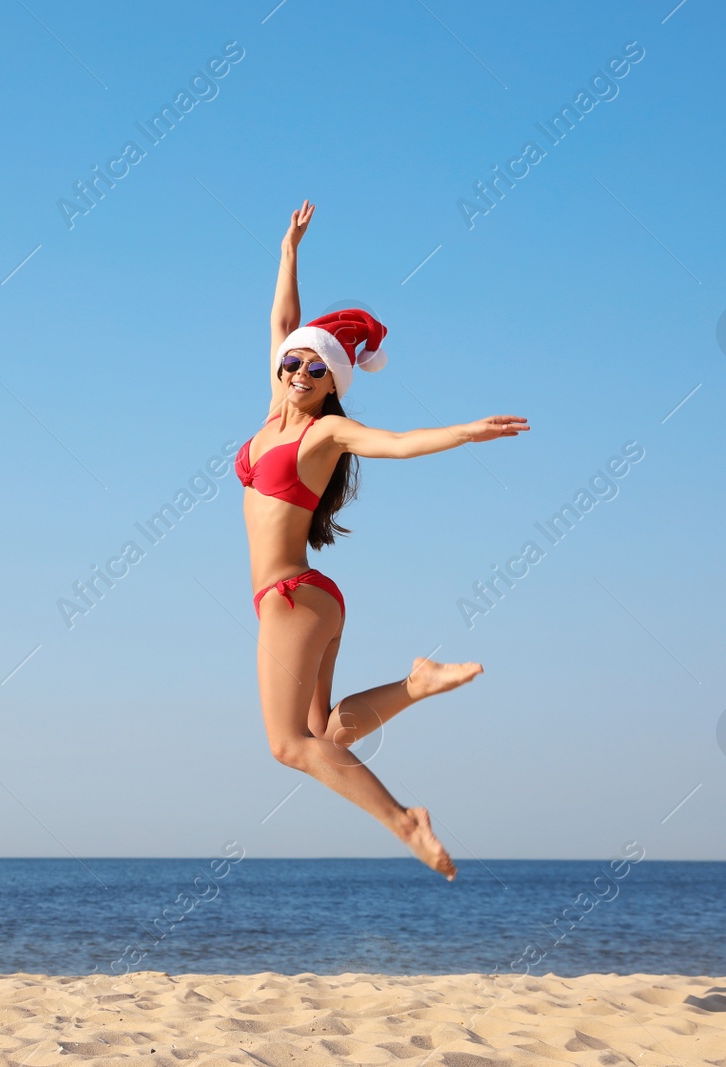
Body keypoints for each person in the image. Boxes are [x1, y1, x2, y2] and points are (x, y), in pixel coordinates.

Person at [237, 199, 528, 880]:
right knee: (327, 733)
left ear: (332, 382)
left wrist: (466, 431)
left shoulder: (324, 433)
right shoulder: (273, 411)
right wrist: (289, 251)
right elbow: (284, 324)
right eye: (292, 365)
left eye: (315, 370)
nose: (299, 374)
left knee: (287, 744)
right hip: (304, 599)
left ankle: (406, 822)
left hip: (292, 596)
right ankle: (416, 683)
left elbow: (396, 444)